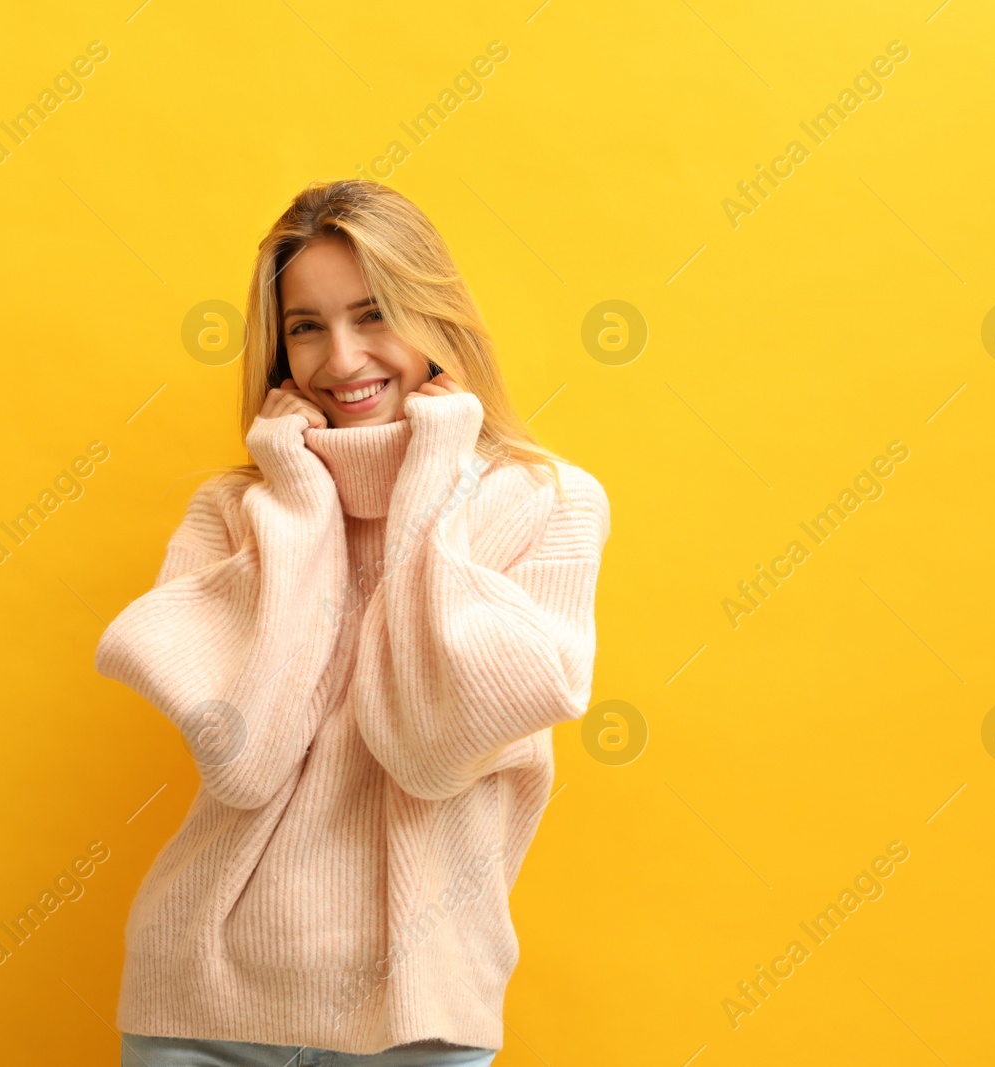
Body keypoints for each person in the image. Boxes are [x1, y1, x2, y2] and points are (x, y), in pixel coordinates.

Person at [95, 178, 611, 1066]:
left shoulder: (546, 502)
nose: (341, 359)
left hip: (418, 1008)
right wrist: (296, 498)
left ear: (436, 316)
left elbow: (431, 747)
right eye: (306, 327)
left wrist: (433, 474)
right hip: (202, 1003)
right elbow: (246, 759)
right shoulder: (233, 510)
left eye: (374, 314)